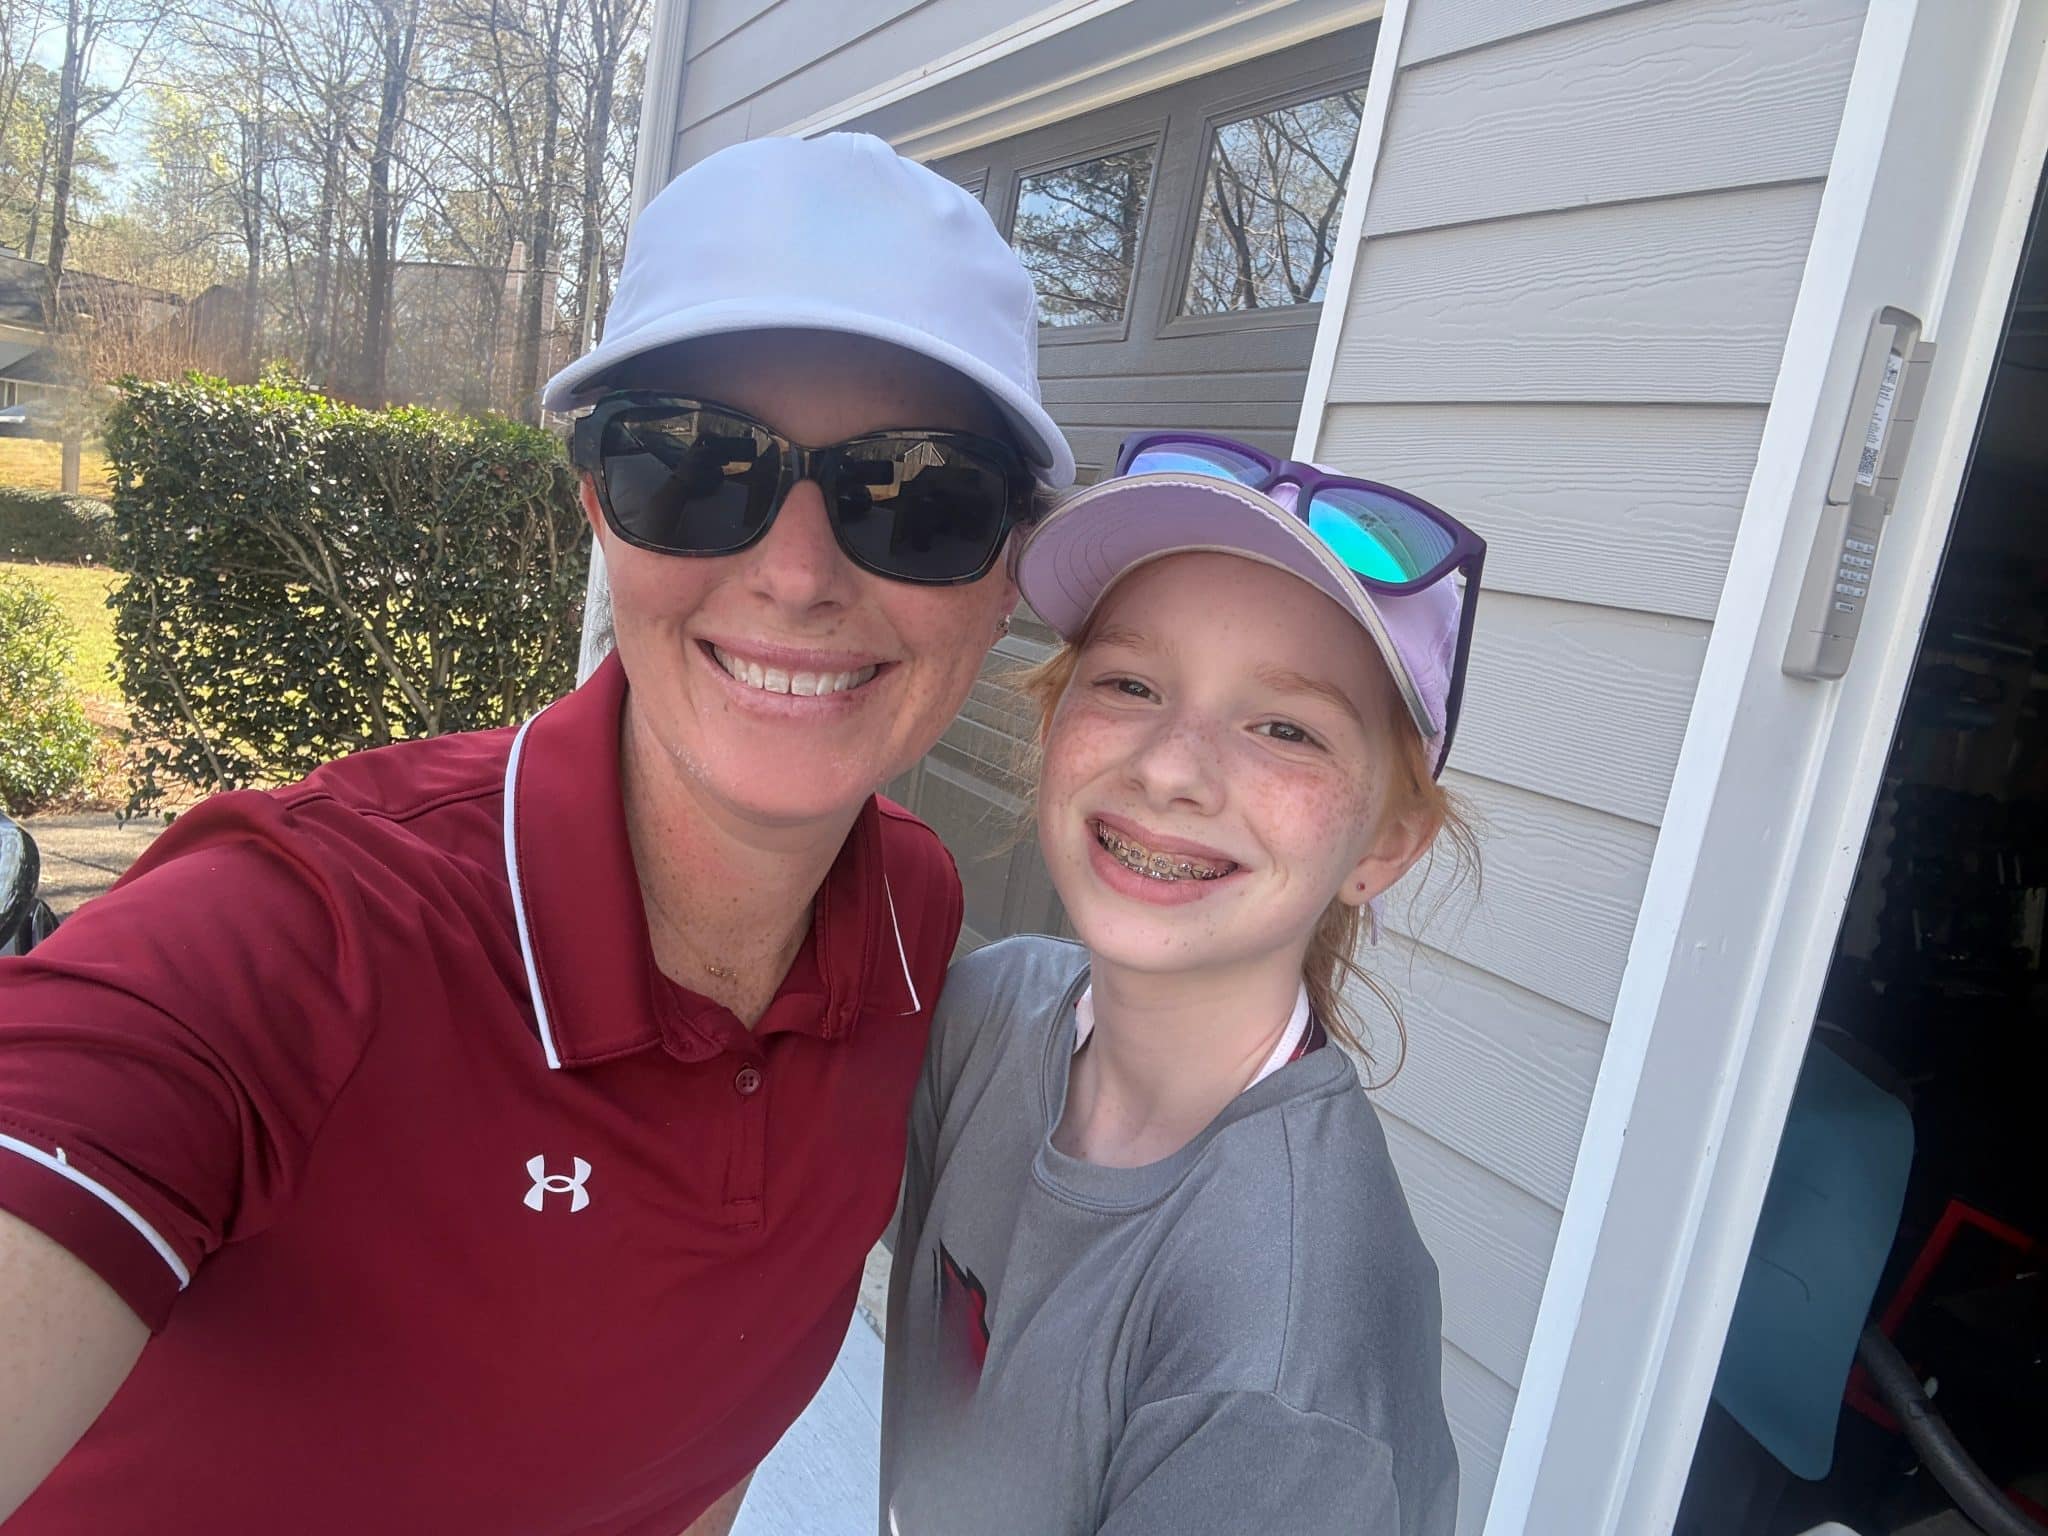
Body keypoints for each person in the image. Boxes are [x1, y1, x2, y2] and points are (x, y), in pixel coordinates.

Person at [0, 131, 1073, 1534]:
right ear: (596, 510)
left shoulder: (908, 919)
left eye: (922, 497)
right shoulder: (298, 932)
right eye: (694, 467)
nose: (799, 574)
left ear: (1007, 582)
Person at [878, 433, 1483, 1535]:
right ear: (1051, 723)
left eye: (1284, 728)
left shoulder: (1282, 1365)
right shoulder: (993, 1012)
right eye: (1129, 682)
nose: (1167, 766)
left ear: (1384, 845)